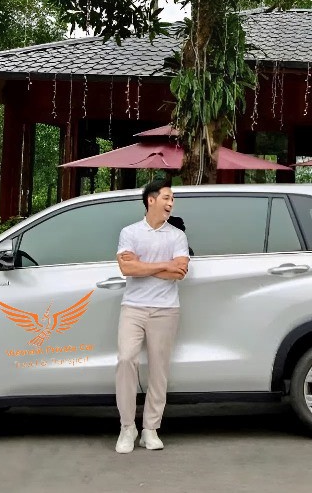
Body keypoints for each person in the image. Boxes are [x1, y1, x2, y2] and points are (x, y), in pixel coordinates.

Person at [114, 179, 190, 453]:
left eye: (172, 199)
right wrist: (164, 265)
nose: (171, 203)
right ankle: (127, 427)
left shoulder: (177, 236)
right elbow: (127, 269)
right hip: (133, 307)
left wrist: (143, 265)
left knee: (159, 369)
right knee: (126, 360)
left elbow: (179, 272)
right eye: (167, 197)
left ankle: (150, 429)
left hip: (166, 309)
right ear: (151, 200)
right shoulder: (130, 232)